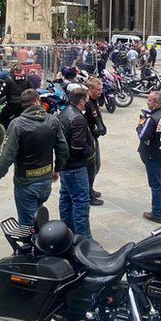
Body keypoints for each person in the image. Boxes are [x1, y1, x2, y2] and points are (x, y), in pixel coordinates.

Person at [0, 89, 69, 226]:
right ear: (38, 101)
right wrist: (57, 170)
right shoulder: (52, 120)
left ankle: (30, 245)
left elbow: (7, 155)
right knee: (38, 218)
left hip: (26, 183)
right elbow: (63, 149)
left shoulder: (17, 124)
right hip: (46, 180)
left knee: (27, 225)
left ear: (23, 105)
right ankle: (40, 241)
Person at [57, 88, 94, 239]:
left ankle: (67, 232)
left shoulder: (63, 113)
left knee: (65, 198)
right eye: (86, 100)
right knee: (81, 203)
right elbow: (78, 144)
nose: (87, 103)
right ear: (81, 101)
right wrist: (89, 151)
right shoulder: (77, 118)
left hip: (66, 165)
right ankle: (85, 239)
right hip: (75, 166)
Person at [137, 91, 161, 223]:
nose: (147, 102)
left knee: (156, 184)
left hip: (154, 155)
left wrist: (139, 126)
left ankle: (156, 213)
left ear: (157, 103)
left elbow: (143, 136)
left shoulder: (152, 119)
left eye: (150, 100)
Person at [83, 77, 106, 206]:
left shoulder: (94, 100)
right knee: (91, 168)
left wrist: (102, 126)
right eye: (98, 89)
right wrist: (95, 129)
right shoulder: (86, 103)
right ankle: (88, 193)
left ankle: (89, 188)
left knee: (96, 166)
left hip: (94, 137)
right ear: (90, 89)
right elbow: (83, 122)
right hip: (89, 138)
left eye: (101, 89)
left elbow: (97, 115)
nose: (100, 92)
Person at [0, 63, 32, 127]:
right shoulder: (27, 80)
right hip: (23, 104)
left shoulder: (9, 79)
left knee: (2, 118)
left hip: (11, 104)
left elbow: (2, 93)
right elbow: (31, 92)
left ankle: (9, 130)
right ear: (22, 71)